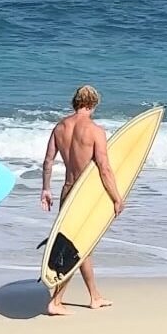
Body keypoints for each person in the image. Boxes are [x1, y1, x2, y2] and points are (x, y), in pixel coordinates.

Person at [39, 84, 123, 316]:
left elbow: (47, 162)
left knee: (82, 246)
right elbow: (104, 168)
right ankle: (56, 301)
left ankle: (94, 296)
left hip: (67, 192)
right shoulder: (95, 131)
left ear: (75, 102)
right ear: (93, 104)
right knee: (75, 249)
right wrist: (116, 198)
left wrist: (46, 189)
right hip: (85, 195)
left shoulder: (60, 127)